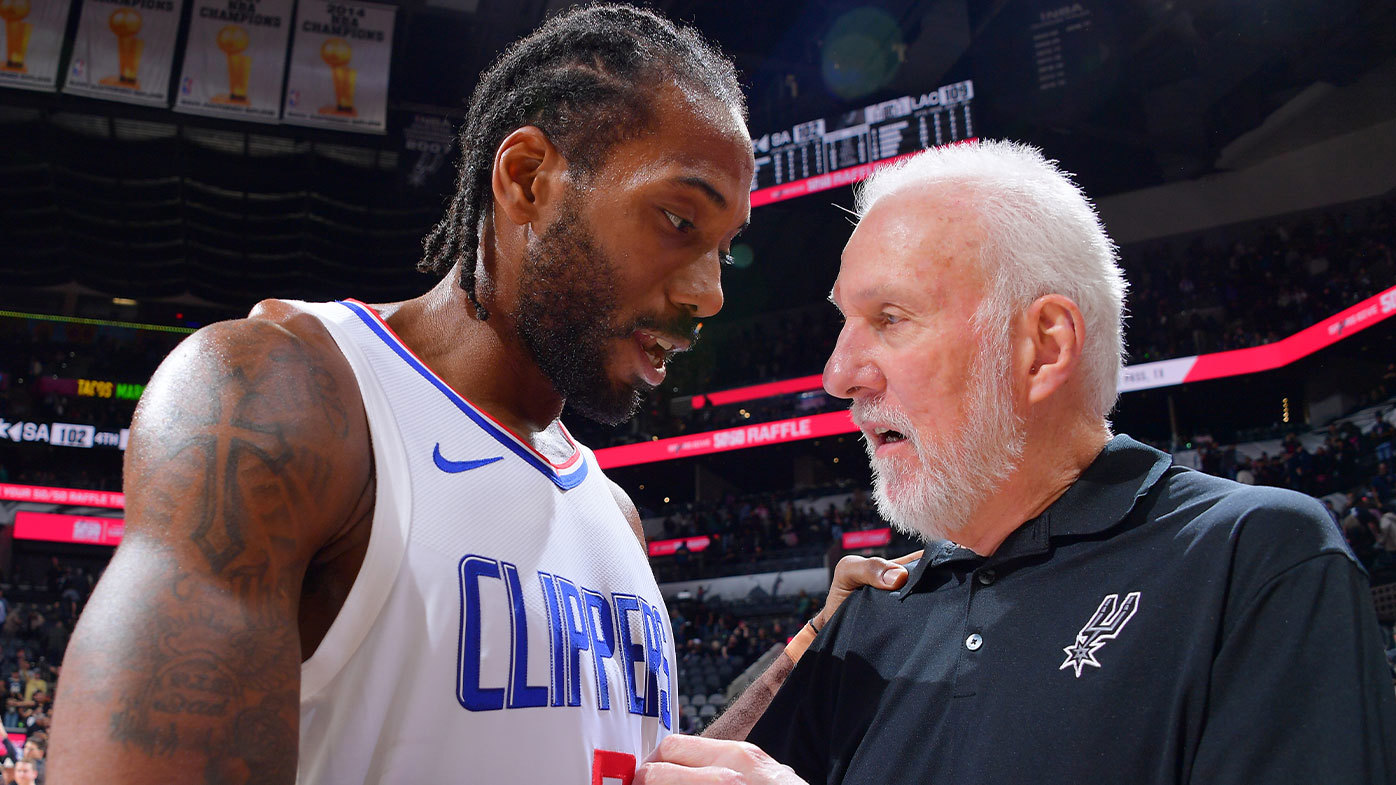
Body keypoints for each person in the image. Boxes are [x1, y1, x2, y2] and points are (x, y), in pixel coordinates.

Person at [47, 6, 907, 784]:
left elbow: (628, 771)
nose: (710, 293)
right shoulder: (284, 394)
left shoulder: (613, 513)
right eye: (680, 221)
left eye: (723, 248)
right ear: (528, 177)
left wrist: (806, 644)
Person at [637, 141, 1396, 784]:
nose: (837, 373)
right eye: (845, 322)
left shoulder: (1252, 559)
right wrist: (805, 643)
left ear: (1044, 348)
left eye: (889, 318)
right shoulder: (867, 615)